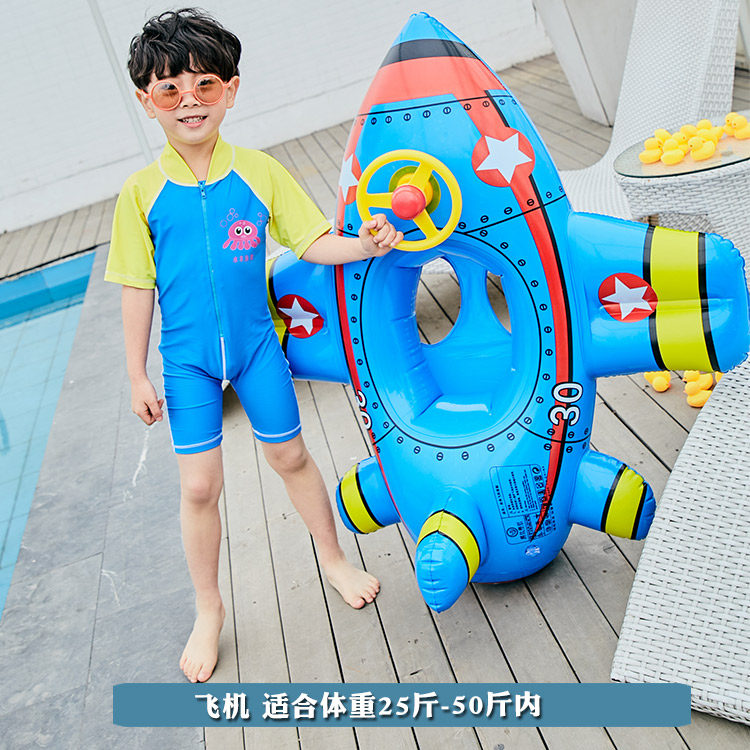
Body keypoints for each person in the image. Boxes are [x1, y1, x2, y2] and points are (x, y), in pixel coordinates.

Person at [104, 8, 403, 684]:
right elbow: (136, 288)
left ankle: (332, 558)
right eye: (169, 90)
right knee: (199, 486)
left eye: (204, 85)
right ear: (147, 102)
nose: (189, 102)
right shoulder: (141, 195)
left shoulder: (260, 173)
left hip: (256, 347)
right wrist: (136, 374)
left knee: (290, 455)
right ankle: (208, 607)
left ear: (231, 90)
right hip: (186, 362)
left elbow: (311, 241)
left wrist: (365, 244)